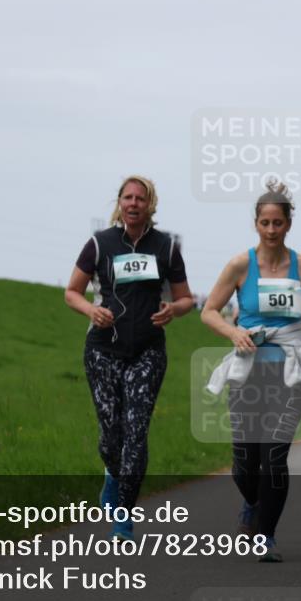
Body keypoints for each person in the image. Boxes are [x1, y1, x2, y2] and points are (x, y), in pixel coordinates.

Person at [201, 179, 301, 563]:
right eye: (265, 223)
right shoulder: (240, 265)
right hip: (249, 373)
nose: (272, 230)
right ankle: (253, 505)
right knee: (244, 465)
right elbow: (208, 311)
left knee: (274, 458)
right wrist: (233, 332)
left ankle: (266, 536)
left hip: (290, 372)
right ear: (256, 223)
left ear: (288, 224)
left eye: (278, 223)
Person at [65, 175, 194, 541]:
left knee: (136, 434)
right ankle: (112, 475)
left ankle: (123, 514)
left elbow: (187, 299)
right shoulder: (99, 243)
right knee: (112, 437)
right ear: (119, 203)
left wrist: (174, 310)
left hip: (148, 351)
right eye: (127, 197)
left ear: (150, 205)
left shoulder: (165, 247)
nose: (134, 203)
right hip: (103, 351)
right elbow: (72, 292)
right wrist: (91, 312)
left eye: (141, 198)